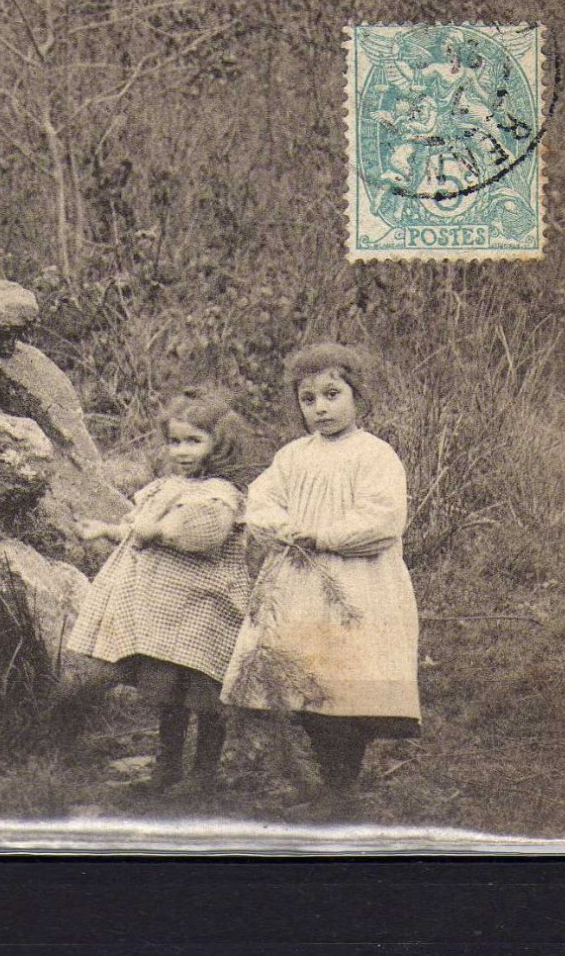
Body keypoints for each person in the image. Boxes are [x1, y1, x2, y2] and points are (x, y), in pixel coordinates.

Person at [220, 343, 421, 814]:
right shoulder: (292, 456)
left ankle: (340, 787)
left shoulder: (375, 455)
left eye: (333, 394)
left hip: (358, 584)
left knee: (347, 684)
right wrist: (281, 528)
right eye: (308, 399)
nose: (321, 408)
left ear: (358, 396)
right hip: (298, 584)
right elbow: (262, 501)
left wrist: (322, 535)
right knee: (305, 679)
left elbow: (382, 520)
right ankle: (323, 779)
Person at [66, 387, 250, 794]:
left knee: (204, 690)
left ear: (219, 445)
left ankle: (203, 772)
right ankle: (166, 766)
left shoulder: (219, 492)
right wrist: (106, 529)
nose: (182, 451)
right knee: (168, 690)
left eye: (194, 441)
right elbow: (137, 527)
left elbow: (204, 534)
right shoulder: (166, 487)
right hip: (168, 615)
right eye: (175, 441)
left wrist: (160, 530)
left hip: (206, 607)